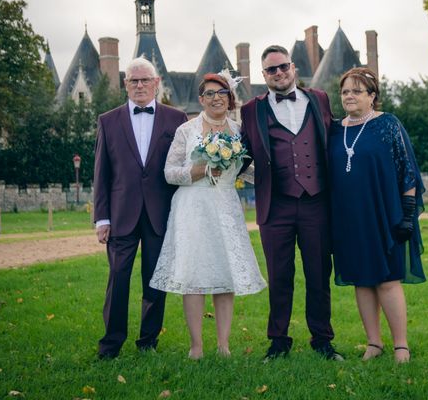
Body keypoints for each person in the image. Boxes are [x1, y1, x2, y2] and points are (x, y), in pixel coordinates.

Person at [150, 72, 266, 359]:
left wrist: (270, 174)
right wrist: (199, 171)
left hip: (225, 206)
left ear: (230, 97)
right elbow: (169, 172)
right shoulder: (186, 131)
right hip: (192, 208)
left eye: (222, 93)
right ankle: (196, 346)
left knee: (224, 274)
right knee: (194, 276)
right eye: (210, 94)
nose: (217, 98)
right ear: (201, 99)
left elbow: (247, 171)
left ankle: (223, 345)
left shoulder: (240, 131)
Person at [240, 45, 342, 361]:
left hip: (316, 203)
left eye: (283, 66)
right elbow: (242, 152)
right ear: (264, 75)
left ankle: (322, 340)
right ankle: (279, 341)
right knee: (279, 276)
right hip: (275, 206)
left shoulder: (319, 98)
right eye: (272, 70)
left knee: (318, 274)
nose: (279, 73)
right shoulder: (250, 109)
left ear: (293, 67)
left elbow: (335, 137)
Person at [328, 67, 426, 363]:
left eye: (357, 91)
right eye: (345, 91)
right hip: (348, 217)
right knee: (361, 279)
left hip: (384, 213)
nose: (349, 96)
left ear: (372, 96)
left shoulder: (387, 125)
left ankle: (401, 346)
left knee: (387, 279)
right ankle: (374, 342)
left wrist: (407, 214)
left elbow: (406, 168)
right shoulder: (334, 129)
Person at [93, 56, 188, 359]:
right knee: (118, 280)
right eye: (133, 80)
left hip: (161, 215)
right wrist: (101, 218)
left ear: (156, 83)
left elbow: (183, 168)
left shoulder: (176, 119)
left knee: (155, 282)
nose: (139, 85)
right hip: (121, 216)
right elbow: (101, 174)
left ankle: (148, 342)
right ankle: (111, 344)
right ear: (125, 85)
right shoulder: (108, 121)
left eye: (145, 79)